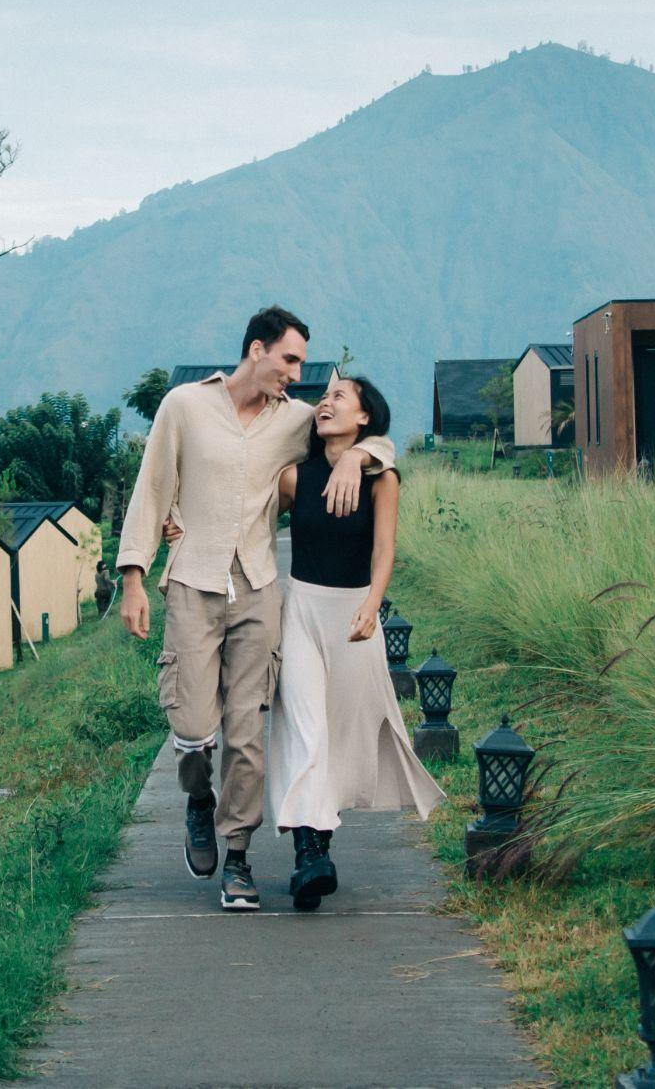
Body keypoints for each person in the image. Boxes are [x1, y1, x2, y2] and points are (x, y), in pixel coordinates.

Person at [116, 306, 394, 912]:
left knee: (247, 732)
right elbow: (151, 488)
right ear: (257, 349)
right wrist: (133, 576)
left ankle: (237, 857)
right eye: (290, 360)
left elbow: (370, 434)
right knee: (194, 730)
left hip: (258, 587)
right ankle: (198, 800)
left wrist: (359, 457)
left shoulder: (295, 420)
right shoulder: (184, 406)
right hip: (192, 580)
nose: (297, 374)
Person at [244, 376, 442, 909]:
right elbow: (249, 517)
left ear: (364, 418)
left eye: (339, 397)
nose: (325, 403)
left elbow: (384, 549)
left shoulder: (383, 478)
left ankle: (318, 845)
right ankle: (309, 854)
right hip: (302, 612)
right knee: (305, 731)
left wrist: (373, 604)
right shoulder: (294, 477)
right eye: (324, 398)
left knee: (340, 735)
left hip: (355, 616)